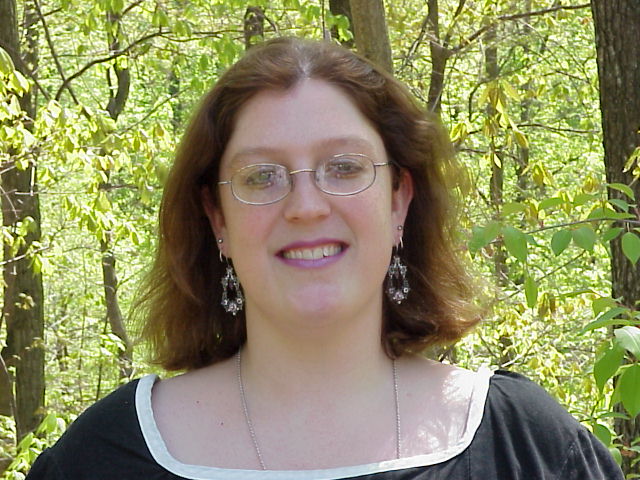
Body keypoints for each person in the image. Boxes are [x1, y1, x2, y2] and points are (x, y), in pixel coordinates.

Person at [27, 37, 622, 479]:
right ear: (217, 218)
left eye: (344, 167)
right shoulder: (102, 458)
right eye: (261, 176)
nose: (307, 207)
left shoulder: (532, 448)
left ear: (399, 200)